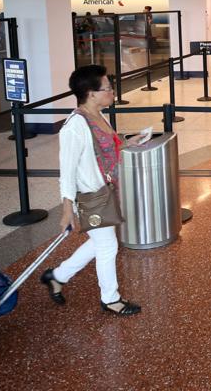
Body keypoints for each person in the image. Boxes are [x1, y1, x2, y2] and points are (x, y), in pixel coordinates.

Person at [41, 65, 146, 316]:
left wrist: (129, 142)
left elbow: (104, 149)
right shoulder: (74, 127)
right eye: (107, 88)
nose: (112, 92)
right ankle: (110, 299)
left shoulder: (98, 115)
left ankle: (56, 276)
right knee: (108, 245)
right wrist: (67, 210)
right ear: (90, 93)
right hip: (90, 197)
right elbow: (66, 171)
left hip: (104, 191)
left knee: (99, 242)